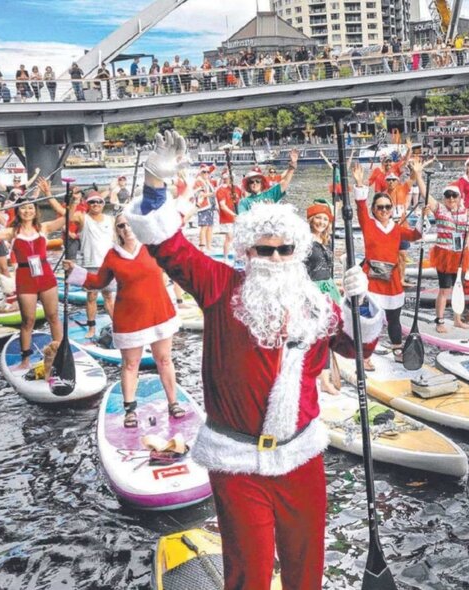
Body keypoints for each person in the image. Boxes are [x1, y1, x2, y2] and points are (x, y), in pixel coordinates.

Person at [125, 129, 383, 590]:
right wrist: (156, 181)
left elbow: (359, 347)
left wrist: (363, 304)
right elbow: (166, 244)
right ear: (247, 251)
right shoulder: (220, 285)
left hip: (302, 459)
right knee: (249, 574)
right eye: (265, 249)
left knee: (308, 570)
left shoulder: (318, 305)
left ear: (298, 251)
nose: (277, 257)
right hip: (237, 463)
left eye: (286, 249)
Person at [63, 213, 182, 427]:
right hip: (130, 319)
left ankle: (173, 403)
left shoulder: (153, 246)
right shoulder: (112, 256)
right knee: (130, 364)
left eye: (130, 224)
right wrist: (75, 272)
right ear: (117, 230)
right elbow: (98, 281)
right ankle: (130, 410)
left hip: (160, 314)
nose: (126, 228)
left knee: (164, 360)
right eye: (121, 226)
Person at [351, 160, 423, 366]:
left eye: (387, 207)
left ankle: (397, 350)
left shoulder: (397, 228)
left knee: (394, 319)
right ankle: (365, 355)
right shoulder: (368, 224)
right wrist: (359, 183)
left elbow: (416, 234)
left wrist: (423, 216)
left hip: (391, 279)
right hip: (371, 278)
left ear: (392, 209)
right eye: (380, 207)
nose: (384, 210)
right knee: (369, 319)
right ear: (374, 209)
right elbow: (360, 205)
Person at [0, 196, 66, 370]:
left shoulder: (43, 228)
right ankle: (26, 359)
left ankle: (60, 353)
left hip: (46, 277)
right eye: (23, 208)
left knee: (53, 317)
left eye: (30, 208)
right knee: (28, 320)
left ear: (36, 210)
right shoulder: (12, 232)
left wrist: (50, 195)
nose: (27, 211)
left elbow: (67, 216)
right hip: (25, 278)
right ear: (18, 211)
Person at [424, 182, 469, 333]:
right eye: (448, 196)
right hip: (444, 255)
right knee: (444, 290)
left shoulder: (466, 212)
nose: (451, 198)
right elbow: (426, 195)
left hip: (460, 255)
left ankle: (457, 320)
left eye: (454, 196)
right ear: (444, 198)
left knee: (458, 288)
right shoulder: (440, 209)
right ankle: (440, 321)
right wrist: (420, 177)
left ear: (460, 197)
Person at [305, 199, 341, 394]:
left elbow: (326, 268)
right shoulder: (304, 241)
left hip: (329, 290)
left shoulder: (324, 240)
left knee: (328, 335)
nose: (321, 222)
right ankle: (321, 380)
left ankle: (324, 378)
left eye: (325, 219)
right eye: (318, 218)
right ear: (311, 219)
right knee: (318, 335)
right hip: (313, 291)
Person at [71, 190, 117, 338]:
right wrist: (74, 201)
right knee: (91, 296)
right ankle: (91, 328)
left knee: (108, 296)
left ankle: (118, 326)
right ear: (87, 204)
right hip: (91, 263)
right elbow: (69, 217)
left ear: (103, 204)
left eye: (99, 201)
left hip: (109, 263)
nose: (95, 204)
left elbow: (118, 239)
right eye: (92, 202)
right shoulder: (83, 218)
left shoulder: (111, 220)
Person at [215, 172, 239, 263]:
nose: (227, 180)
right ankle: (225, 258)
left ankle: (237, 256)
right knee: (229, 237)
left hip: (237, 217)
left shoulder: (236, 188)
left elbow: (242, 199)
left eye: (229, 178)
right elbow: (222, 206)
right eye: (225, 179)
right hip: (227, 218)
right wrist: (233, 214)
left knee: (237, 237)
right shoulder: (221, 190)